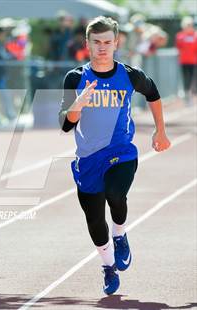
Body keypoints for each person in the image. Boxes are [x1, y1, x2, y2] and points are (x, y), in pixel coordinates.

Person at [59, 16, 170, 295]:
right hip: (87, 159)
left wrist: (160, 131)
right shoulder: (75, 78)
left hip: (121, 151)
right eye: (96, 42)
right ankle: (108, 266)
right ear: (88, 44)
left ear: (116, 43)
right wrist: (77, 105)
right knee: (95, 219)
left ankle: (120, 233)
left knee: (115, 193)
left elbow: (153, 93)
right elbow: (65, 124)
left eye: (107, 42)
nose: (102, 47)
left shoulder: (129, 74)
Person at [176, 16, 197, 105]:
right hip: (184, 61)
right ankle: (186, 95)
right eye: (187, 25)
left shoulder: (195, 35)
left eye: (190, 25)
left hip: (193, 61)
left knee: (193, 79)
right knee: (185, 79)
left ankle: (191, 95)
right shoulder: (180, 35)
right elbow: (179, 46)